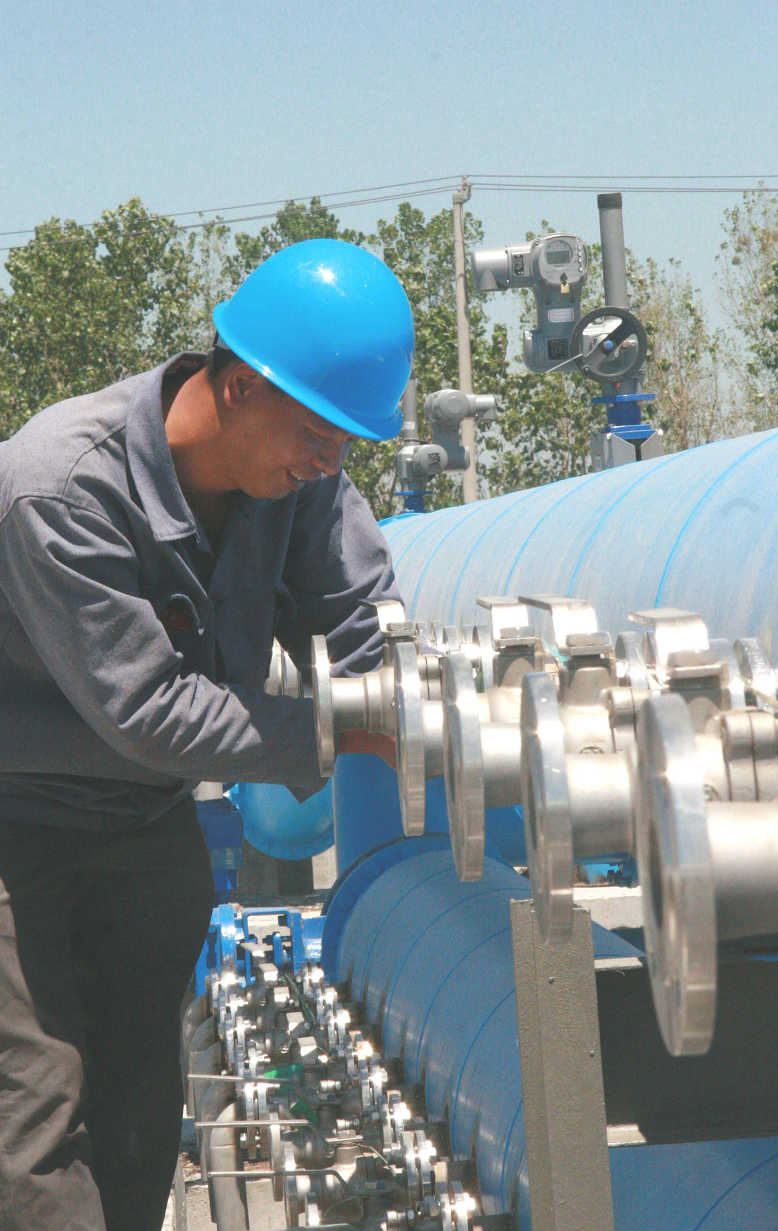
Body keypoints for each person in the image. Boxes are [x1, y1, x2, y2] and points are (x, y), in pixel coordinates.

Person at [0, 238, 414, 1231]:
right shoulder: (61, 485)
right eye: (317, 432)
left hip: (144, 820)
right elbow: (147, 708)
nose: (330, 461)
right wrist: (340, 734)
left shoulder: (299, 478)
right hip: (15, 825)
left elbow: (359, 621)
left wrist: (410, 702)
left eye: (346, 443)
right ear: (238, 385)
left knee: (141, 1115)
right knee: (35, 1119)